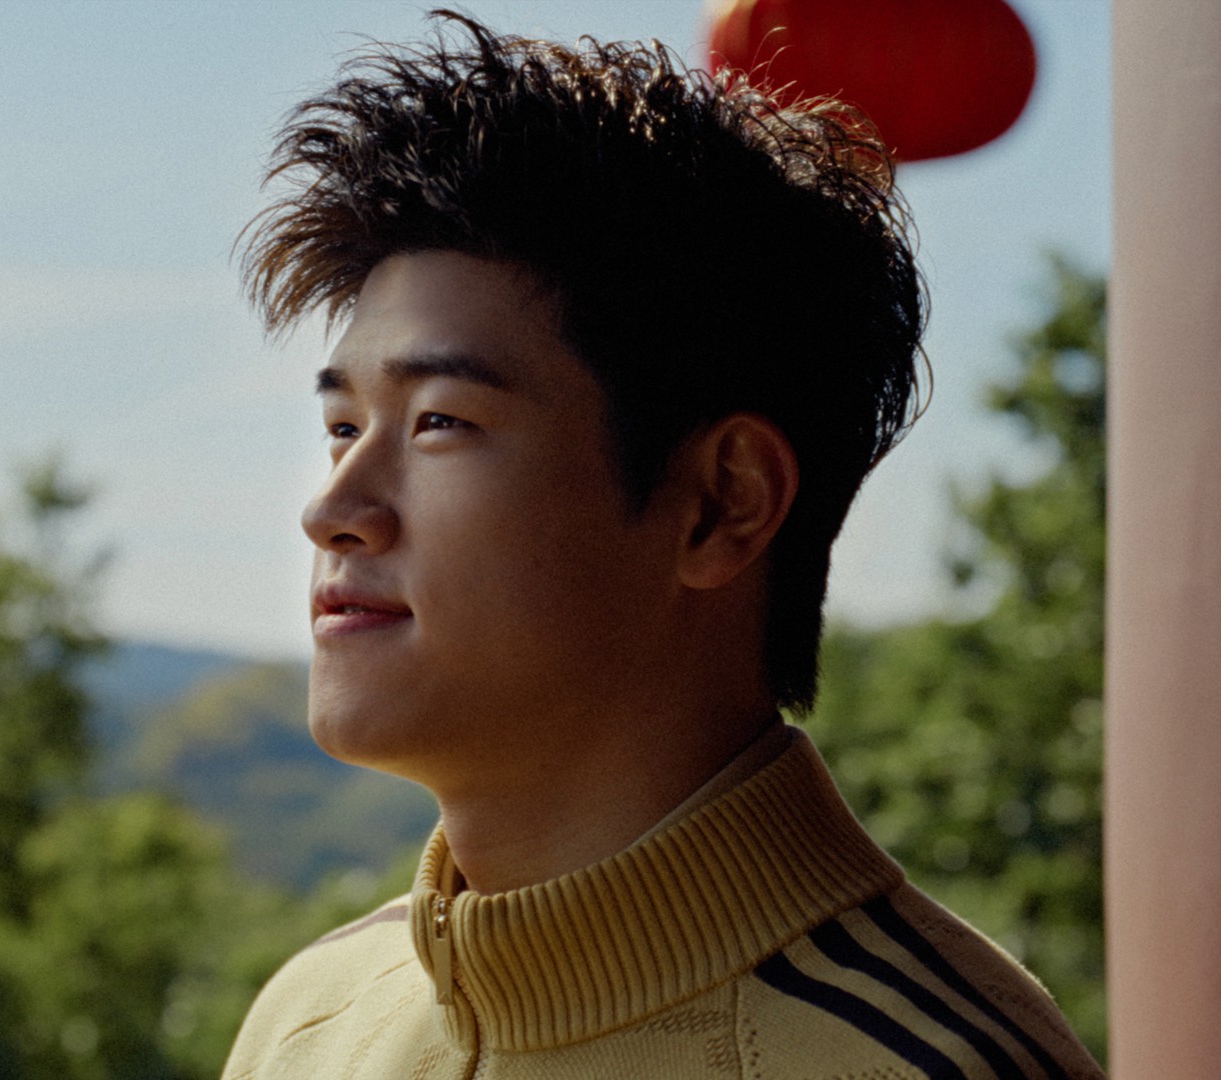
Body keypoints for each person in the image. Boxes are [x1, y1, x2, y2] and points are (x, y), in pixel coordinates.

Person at [223, 11, 1104, 1079]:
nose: (333, 509)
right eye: (343, 427)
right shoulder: (309, 1024)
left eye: (440, 421)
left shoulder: (922, 1065)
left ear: (722, 504)